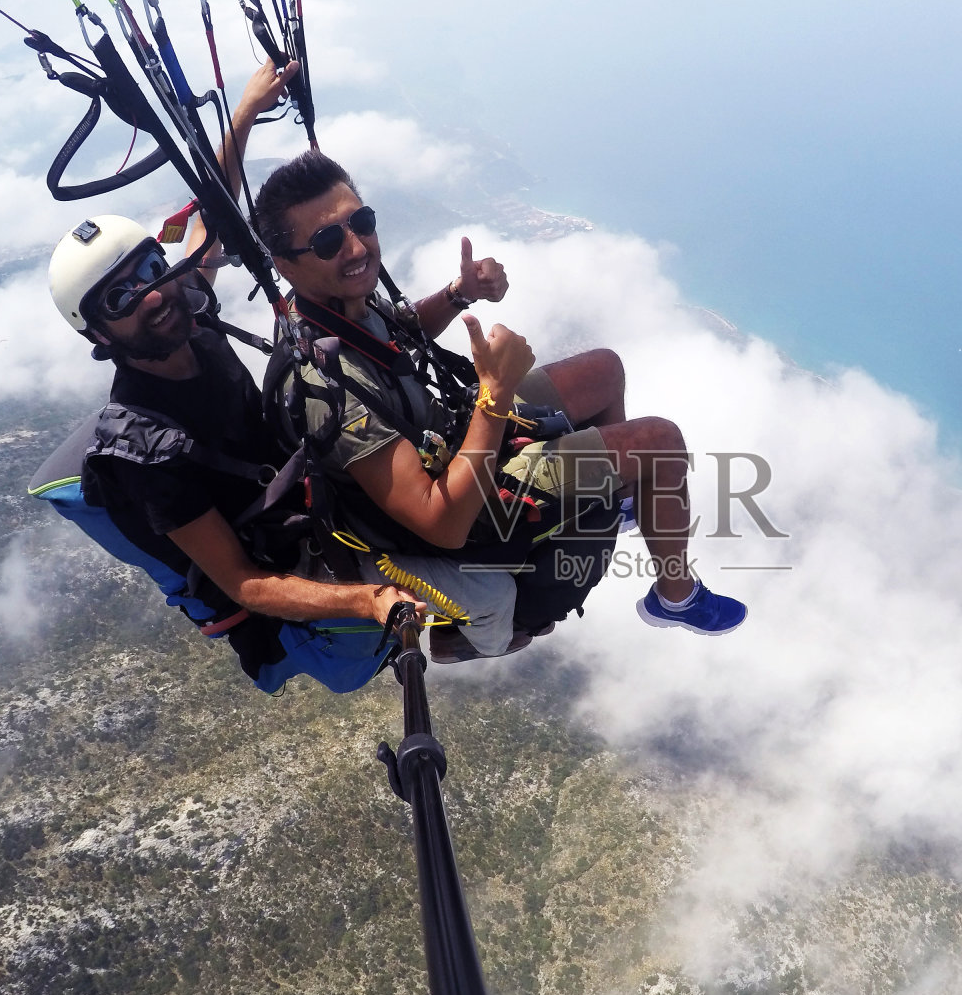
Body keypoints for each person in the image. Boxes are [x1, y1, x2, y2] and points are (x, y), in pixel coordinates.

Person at [40, 59, 460, 693]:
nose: (151, 296)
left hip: (314, 496)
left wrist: (244, 112)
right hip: (293, 574)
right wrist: (366, 602)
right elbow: (242, 581)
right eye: (120, 299)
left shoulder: (192, 316)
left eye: (150, 270)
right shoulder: (146, 452)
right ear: (98, 336)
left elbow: (210, 219)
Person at [250, 150, 749, 647]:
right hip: (459, 500)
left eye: (362, 221)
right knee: (660, 443)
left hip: (445, 432)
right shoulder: (325, 389)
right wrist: (494, 395)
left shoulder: (329, 305)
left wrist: (457, 293)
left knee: (604, 370)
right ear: (286, 266)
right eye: (327, 240)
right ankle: (675, 597)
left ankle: (615, 493)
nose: (357, 247)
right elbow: (438, 522)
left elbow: (391, 335)